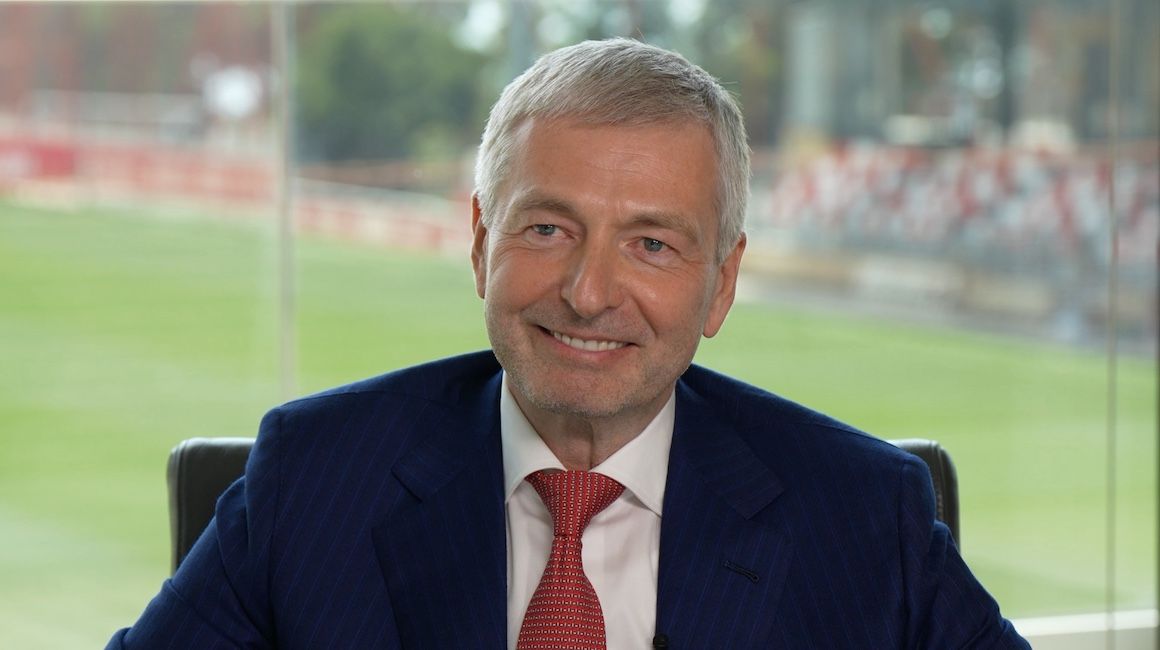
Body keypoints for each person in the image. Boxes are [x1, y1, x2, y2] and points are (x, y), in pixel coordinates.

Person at [108, 38, 1029, 649]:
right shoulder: (314, 479)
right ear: (481, 245)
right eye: (547, 229)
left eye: (652, 244)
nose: (589, 294)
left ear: (722, 284)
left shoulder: (863, 515)